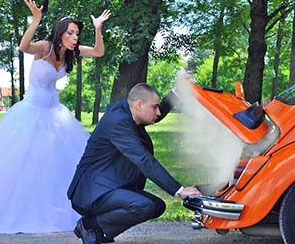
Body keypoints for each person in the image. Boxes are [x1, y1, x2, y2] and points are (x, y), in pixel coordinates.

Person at [0, 0, 111, 233]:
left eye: (77, 34)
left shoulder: (72, 53)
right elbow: (23, 47)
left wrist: (98, 28)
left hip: (55, 115)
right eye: (71, 33)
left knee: (59, 163)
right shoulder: (45, 47)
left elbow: (100, 52)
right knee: (19, 163)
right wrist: (36, 20)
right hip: (30, 112)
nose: (74, 38)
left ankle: (63, 206)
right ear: (60, 33)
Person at [67, 83, 202, 244]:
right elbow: (144, 160)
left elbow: (155, 114)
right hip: (92, 191)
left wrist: (177, 91)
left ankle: (98, 231)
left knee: (157, 205)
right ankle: (90, 226)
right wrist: (179, 190)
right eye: (155, 107)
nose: (158, 112)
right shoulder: (118, 122)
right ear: (139, 104)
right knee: (144, 206)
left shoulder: (129, 112)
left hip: (109, 185)